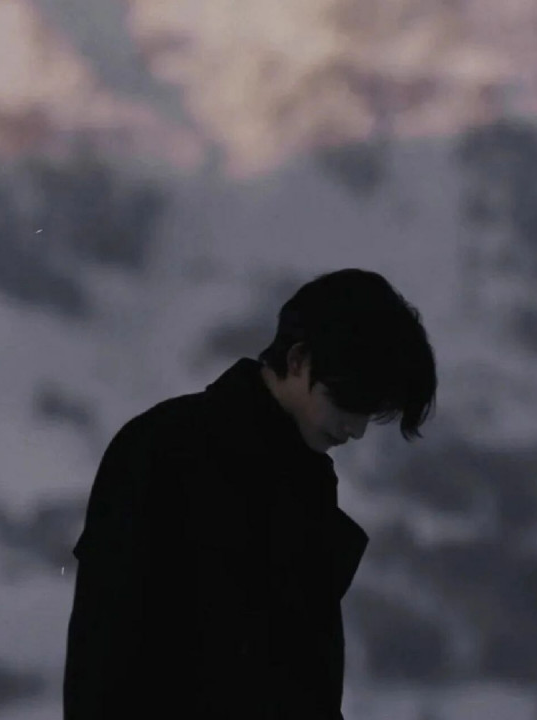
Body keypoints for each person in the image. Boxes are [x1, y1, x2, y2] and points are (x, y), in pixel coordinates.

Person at [63, 268, 438, 719]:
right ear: (298, 360)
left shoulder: (304, 479)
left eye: (370, 413)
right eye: (348, 403)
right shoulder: (162, 450)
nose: (356, 429)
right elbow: (102, 661)